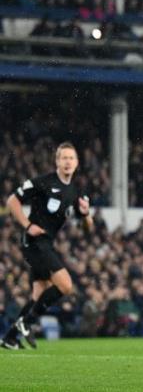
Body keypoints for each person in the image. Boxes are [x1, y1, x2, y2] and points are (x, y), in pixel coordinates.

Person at [1, 142, 93, 350]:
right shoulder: (43, 182)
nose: (68, 162)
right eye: (64, 158)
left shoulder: (76, 192)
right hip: (33, 241)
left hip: (46, 243)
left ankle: (10, 338)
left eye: (71, 158)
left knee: (38, 296)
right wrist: (27, 224)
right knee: (66, 285)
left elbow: (87, 229)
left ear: (77, 163)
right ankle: (26, 323)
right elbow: (11, 201)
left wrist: (87, 214)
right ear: (57, 161)